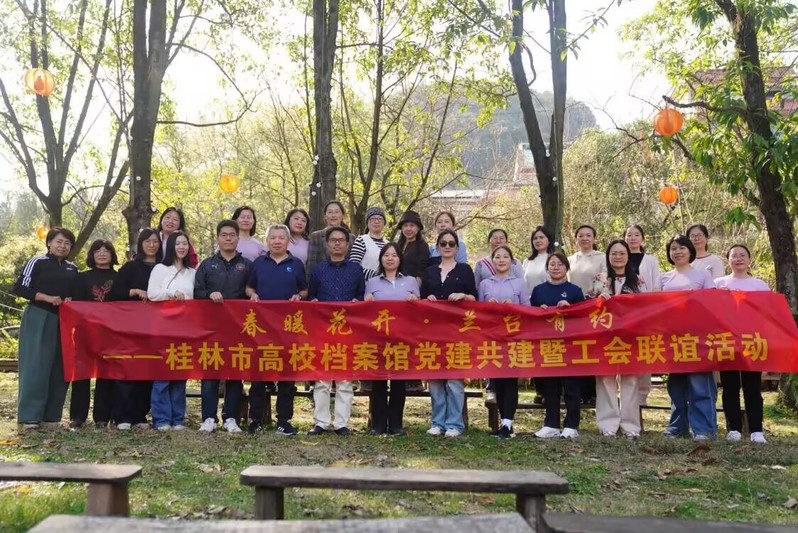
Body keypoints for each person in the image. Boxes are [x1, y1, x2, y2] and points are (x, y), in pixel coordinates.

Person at [245, 224, 308, 436]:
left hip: (288, 328)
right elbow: (249, 287)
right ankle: (255, 419)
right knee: (258, 375)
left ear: (288, 241)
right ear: (267, 241)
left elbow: (304, 290)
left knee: (287, 377)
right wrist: (252, 295)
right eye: (273, 238)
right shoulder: (258, 263)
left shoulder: (296, 264)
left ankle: (283, 421)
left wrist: (299, 296)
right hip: (261, 328)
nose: (277, 241)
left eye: (281, 238)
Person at [14, 227, 79, 430]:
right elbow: (20, 287)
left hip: (64, 321)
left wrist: (71, 300)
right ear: (49, 243)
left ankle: (51, 417)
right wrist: (47, 298)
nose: (63, 246)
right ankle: (30, 416)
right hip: (39, 316)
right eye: (59, 241)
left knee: (60, 367)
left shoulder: (72, 268)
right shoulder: (37, 262)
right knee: (36, 365)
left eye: (67, 243)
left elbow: (75, 293)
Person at [194, 220, 253, 434]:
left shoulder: (247, 265)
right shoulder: (207, 264)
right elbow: (196, 291)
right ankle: (208, 417)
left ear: (238, 238)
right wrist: (209, 294)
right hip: (211, 327)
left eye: (232, 235)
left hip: (238, 327)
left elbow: (252, 290)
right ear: (218, 238)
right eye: (224, 235)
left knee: (234, 372)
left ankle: (231, 418)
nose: (228, 238)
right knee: (210, 371)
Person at [307, 226, 365, 436]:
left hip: (348, 330)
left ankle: (342, 423)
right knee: (322, 379)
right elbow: (312, 296)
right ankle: (321, 422)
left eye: (341, 240)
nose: (337, 243)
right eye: (333, 240)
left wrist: (356, 303)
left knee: (344, 379)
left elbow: (361, 296)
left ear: (348, 244)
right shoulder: (318, 270)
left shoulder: (356, 270)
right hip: (323, 330)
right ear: (327, 244)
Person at [660, 235, 717, 441]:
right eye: (673, 248)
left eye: (682, 248)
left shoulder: (703, 275)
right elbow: (655, 306)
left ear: (690, 251)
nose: (677, 252)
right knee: (676, 384)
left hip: (698, 337)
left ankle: (703, 429)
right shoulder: (664, 278)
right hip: (673, 337)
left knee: (699, 383)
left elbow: (713, 303)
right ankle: (677, 426)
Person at [421, 230, 477, 438]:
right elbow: (421, 298)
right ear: (437, 246)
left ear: (457, 247)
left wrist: (463, 295)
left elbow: (475, 297)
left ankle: (454, 423)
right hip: (433, 330)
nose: (447, 246)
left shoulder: (465, 269)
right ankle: (438, 422)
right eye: (443, 243)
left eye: (451, 243)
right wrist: (428, 299)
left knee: (454, 379)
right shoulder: (429, 271)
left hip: (457, 331)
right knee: (435, 379)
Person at [590, 240, 648, 439]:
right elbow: (588, 304)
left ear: (628, 256)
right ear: (608, 256)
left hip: (630, 337)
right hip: (604, 336)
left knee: (630, 380)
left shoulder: (638, 280)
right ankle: (608, 425)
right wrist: (599, 299)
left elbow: (646, 306)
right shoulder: (599, 278)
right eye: (613, 253)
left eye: (622, 253)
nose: (618, 257)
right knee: (605, 379)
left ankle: (631, 426)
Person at [715, 244, 769, 444]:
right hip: (727, 341)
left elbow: (767, 314)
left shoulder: (760, 285)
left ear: (749, 260)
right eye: (734, 255)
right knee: (729, 386)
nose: (738, 258)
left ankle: (756, 430)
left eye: (742, 255)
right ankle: (734, 428)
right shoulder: (718, 283)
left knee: (752, 386)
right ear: (728, 260)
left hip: (752, 340)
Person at [364, 243, 420, 436]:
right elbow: (365, 312)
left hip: (403, 339)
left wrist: (415, 302)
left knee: (399, 382)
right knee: (378, 382)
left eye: (394, 255)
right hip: (378, 338)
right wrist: (367, 302)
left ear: (400, 259)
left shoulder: (411, 281)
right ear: (381, 259)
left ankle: (396, 424)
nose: (390, 258)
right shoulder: (372, 282)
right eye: (386, 255)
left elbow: (420, 311)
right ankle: (378, 424)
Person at [110, 229, 161, 430]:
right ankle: (122, 416)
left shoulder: (164, 267)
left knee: (148, 369)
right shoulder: (130, 267)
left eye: (155, 241)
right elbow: (113, 293)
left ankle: (140, 415)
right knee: (128, 368)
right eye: (147, 241)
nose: (152, 245)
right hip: (129, 326)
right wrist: (133, 291)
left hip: (156, 327)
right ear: (140, 244)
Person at [531, 253, 585, 439]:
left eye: (560, 264)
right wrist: (540, 311)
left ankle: (571, 425)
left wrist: (570, 308)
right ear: (547, 268)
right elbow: (530, 316)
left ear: (566, 268)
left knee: (571, 387)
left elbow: (583, 317)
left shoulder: (575, 290)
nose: (555, 267)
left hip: (569, 345)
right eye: (552, 264)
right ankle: (551, 424)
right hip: (547, 345)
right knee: (549, 387)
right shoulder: (538, 291)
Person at [478, 245, 530, 438]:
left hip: (513, 338)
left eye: (505, 257)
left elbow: (528, 309)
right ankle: (502, 422)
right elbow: (477, 312)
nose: (501, 260)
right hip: (492, 339)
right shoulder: (485, 284)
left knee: (510, 380)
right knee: (497, 380)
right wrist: (487, 306)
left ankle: (508, 423)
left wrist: (514, 308)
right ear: (492, 261)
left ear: (512, 261)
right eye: (497, 257)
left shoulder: (519, 283)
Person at [147, 230, 196, 430]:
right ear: (171, 246)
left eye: (185, 243)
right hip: (164, 327)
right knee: (163, 373)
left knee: (180, 373)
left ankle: (178, 418)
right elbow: (152, 294)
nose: (181, 247)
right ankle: (161, 419)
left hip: (185, 328)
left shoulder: (192, 272)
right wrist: (171, 294)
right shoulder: (160, 269)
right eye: (178, 243)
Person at [69, 239, 119, 429]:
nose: (102, 253)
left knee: (106, 374)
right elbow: (76, 304)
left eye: (106, 250)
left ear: (112, 254)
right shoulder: (81, 277)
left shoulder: (119, 277)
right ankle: (78, 416)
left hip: (110, 332)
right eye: (98, 250)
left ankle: (102, 416)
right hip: (85, 331)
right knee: (81, 372)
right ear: (92, 255)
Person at [567, 224, 606, 406]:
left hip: (595, 308)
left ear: (594, 238)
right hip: (574, 309)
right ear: (576, 239)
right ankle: (579, 392)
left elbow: (605, 281)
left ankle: (593, 392)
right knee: (577, 349)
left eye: (588, 235)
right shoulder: (570, 259)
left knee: (593, 349)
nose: (584, 238)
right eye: (581, 235)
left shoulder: (602, 257)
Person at [624, 224, 661, 404]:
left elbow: (656, 286)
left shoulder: (651, 260)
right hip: (623, 313)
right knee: (624, 351)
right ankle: (626, 396)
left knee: (644, 352)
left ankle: (642, 397)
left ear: (643, 238)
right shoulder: (618, 257)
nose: (632, 238)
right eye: (629, 235)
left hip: (646, 312)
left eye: (636, 234)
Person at [306, 200, 350, 277]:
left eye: (336, 212)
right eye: (330, 212)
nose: (333, 215)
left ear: (343, 215)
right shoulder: (316, 236)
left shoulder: (351, 237)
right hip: (321, 280)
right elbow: (311, 265)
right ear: (325, 216)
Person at [349, 207, 387, 281]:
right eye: (372, 219)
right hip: (366, 285)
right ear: (367, 223)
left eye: (380, 219)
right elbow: (353, 267)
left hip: (386, 285)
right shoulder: (361, 240)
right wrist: (377, 275)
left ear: (384, 223)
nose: (376, 221)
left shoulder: (388, 244)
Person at [523, 225, 555, 293]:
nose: (538, 240)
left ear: (549, 240)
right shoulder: (527, 261)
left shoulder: (554, 259)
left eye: (541, 237)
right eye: (535, 238)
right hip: (529, 298)